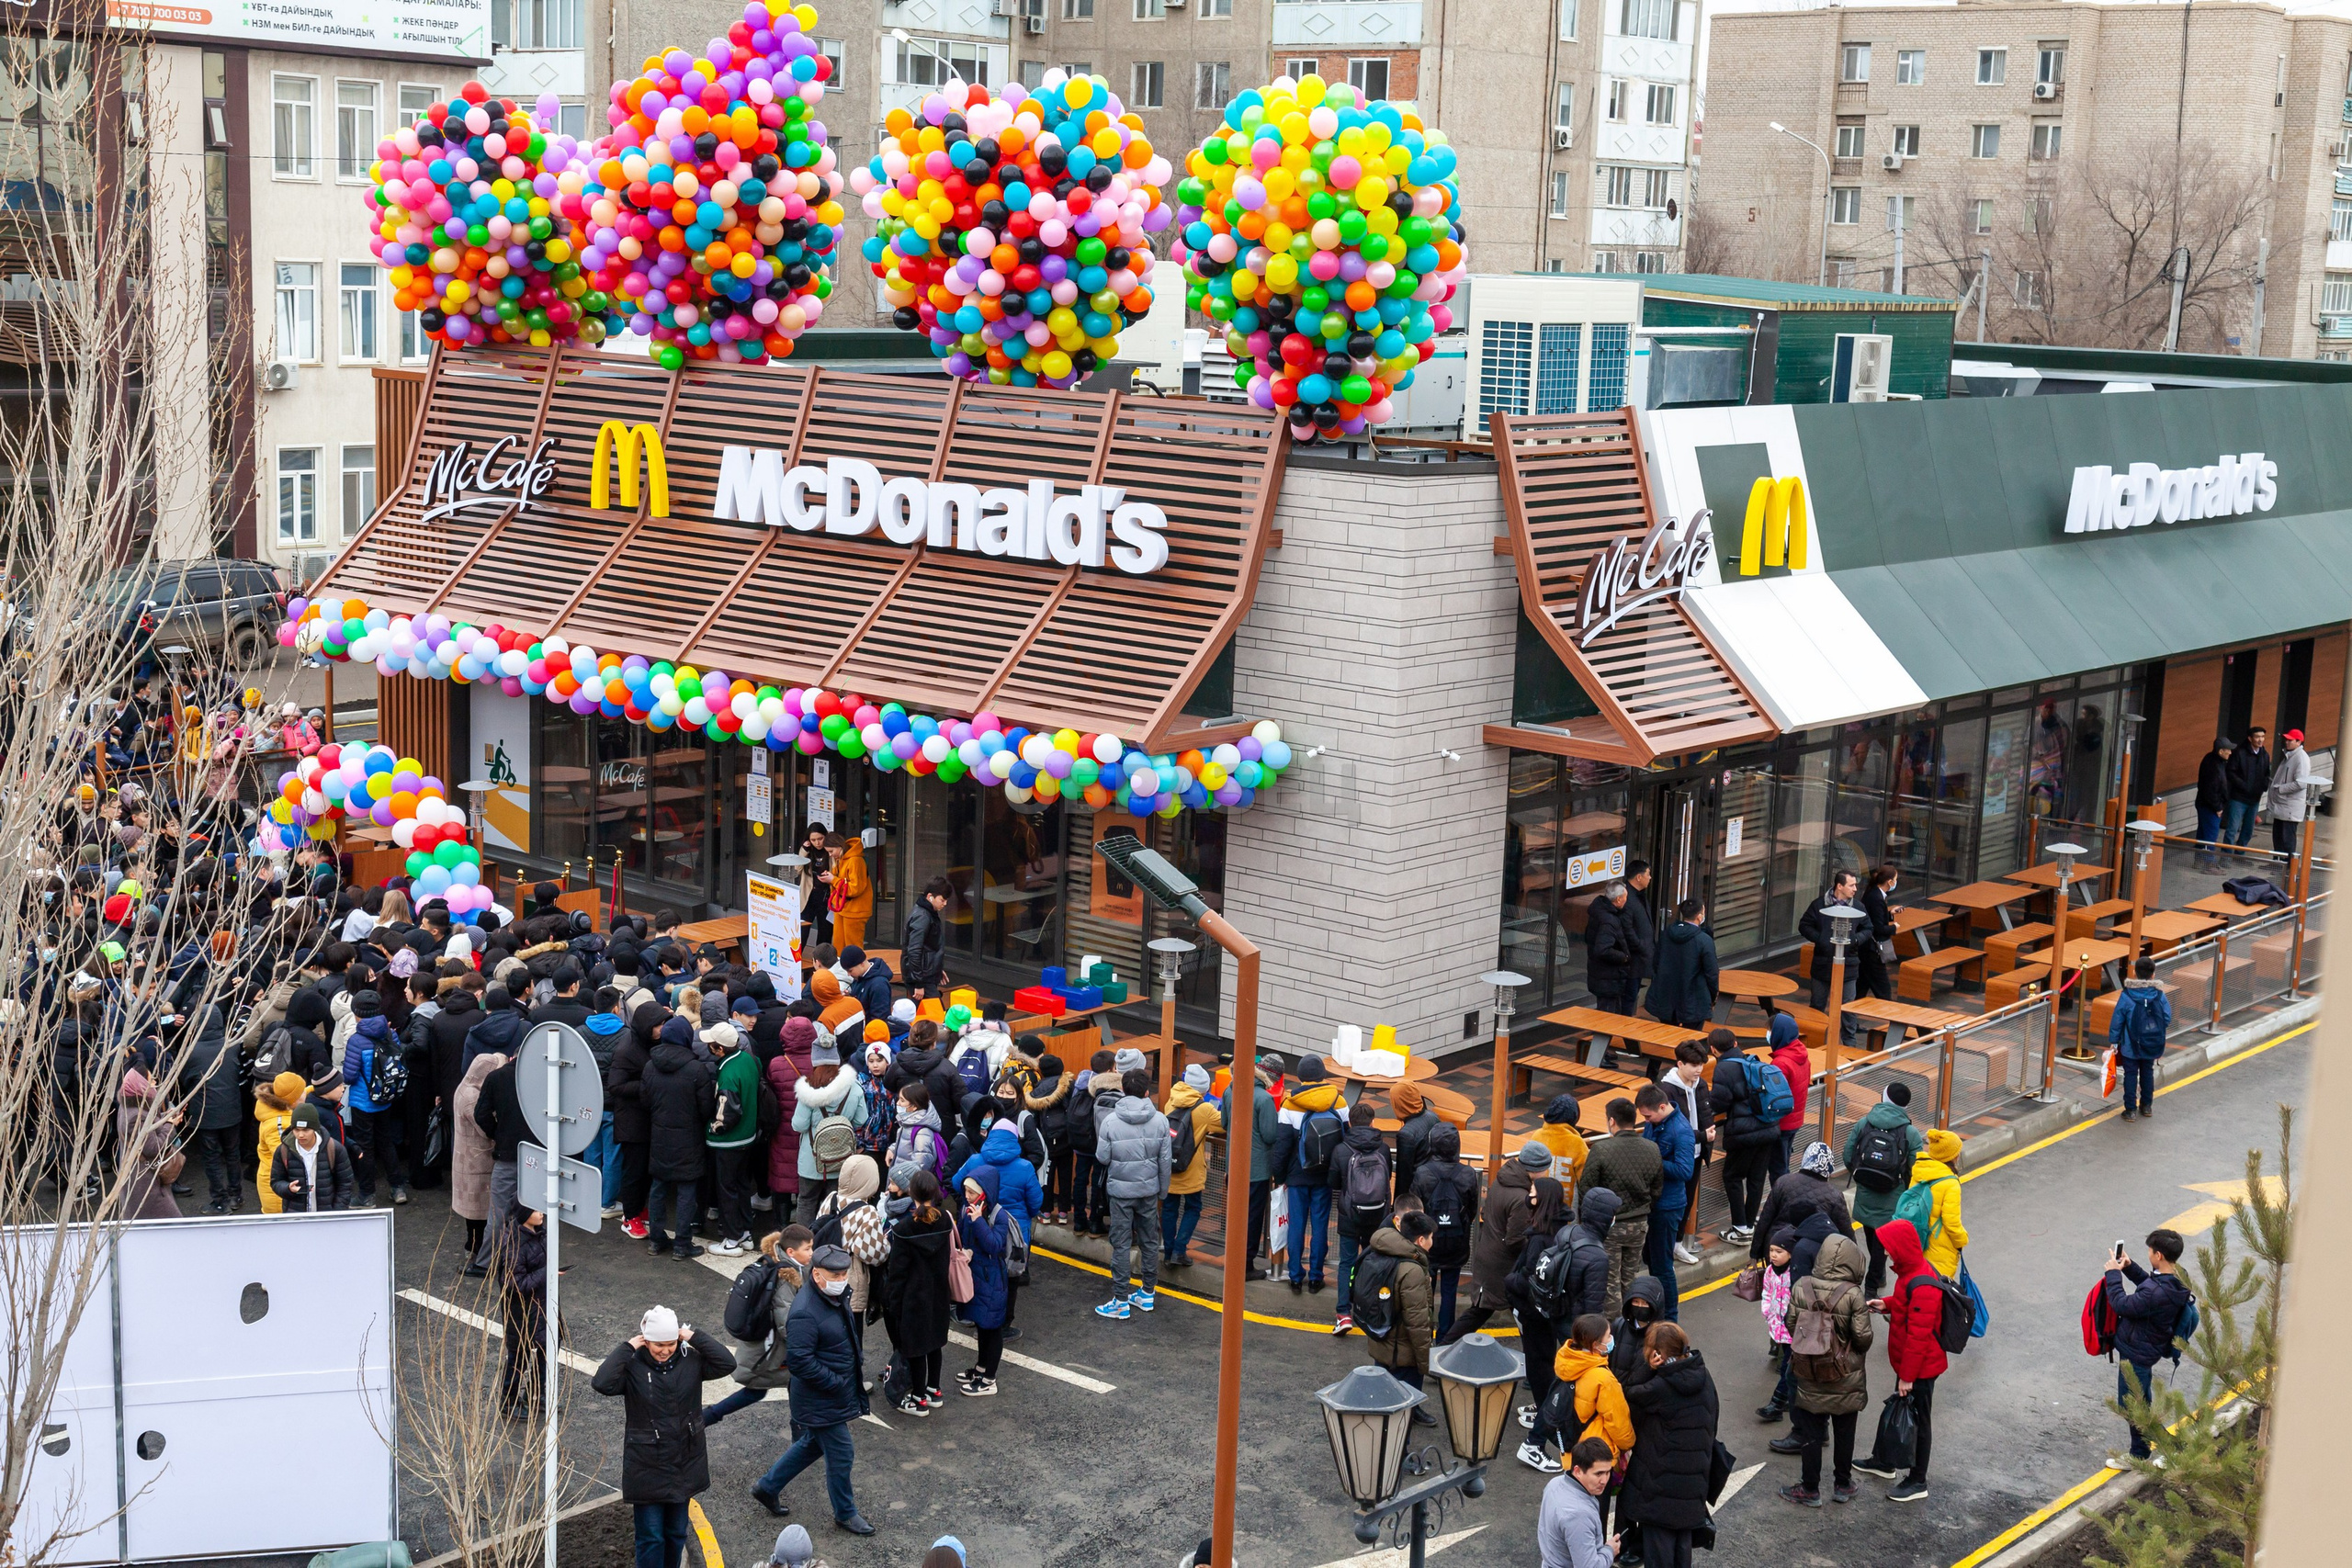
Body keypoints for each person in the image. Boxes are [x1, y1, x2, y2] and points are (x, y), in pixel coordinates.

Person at [592, 1307, 738, 1568]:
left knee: (676, 1534)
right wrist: (627, 1347)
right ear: (646, 1341)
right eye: (658, 1344)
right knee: (651, 1538)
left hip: (684, 1463)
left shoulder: (691, 1360)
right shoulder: (633, 1365)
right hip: (646, 1466)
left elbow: (727, 1362)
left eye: (670, 1343)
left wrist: (692, 1336)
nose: (664, 1350)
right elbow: (602, 1382)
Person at [750, 1240, 872, 1533]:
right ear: (817, 1275)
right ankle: (845, 1513)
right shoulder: (805, 1311)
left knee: (813, 1445)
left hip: (828, 1394)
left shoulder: (831, 1296)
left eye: (844, 1274)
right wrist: (837, 1382)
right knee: (841, 1453)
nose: (842, 1281)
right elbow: (800, 1361)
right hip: (821, 1397)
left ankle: (767, 1486)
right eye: (836, 1276)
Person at [1775, 1232, 1873, 1506]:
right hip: (1846, 1376)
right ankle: (1843, 1485)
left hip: (1809, 1372)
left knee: (1811, 1433)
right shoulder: (1853, 1294)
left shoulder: (1802, 1286)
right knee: (1844, 1432)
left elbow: (1791, 1326)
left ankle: (1810, 1489)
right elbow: (1863, 1339)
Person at [1853, 1218, 1942, 1502]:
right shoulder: (1911, 1273)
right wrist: (1887, 1304)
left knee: (1918, 1421)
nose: (1887, 1254)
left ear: (1902, 1248)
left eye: (1890, 1248)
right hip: (1910, 1364)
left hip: (1919, 1368)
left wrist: (1907, 1376)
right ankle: (1885, 1461)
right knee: (1898, 1410)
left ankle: (1918, 1480)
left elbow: (1919, 1337)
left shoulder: (1922, 1283)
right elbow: (1907, 1303)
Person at [1618, 1322, 1720, 1568]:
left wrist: (1647, 1368)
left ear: (1658, 1355)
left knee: (1660, 1554)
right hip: (1693, 1482)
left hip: (1659, 1486)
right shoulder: (1703, 1376)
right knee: (1682, 1548)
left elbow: (1626, 1394)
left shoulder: (1660, 1387)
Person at [2103, 1227, 2195, 1467]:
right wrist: (2130, 1267)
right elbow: (2151, 1286)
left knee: (2133, 1405)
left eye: (2150, 1252)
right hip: (2148, 1345)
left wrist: (2113, 1275)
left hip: (2137, 1351)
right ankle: (2141, 1451)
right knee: (2139, 1401)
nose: (2149, 1255)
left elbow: (2121, 1304)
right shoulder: (2178, 1278)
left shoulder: (2155, 1293)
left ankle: (2168, 1451)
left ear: (2159, 1256)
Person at [706, 1225, 812, 1427]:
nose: (811, 1253)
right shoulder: (786, 1277)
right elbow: (786, 1322)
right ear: (791, 1252)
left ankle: (708, 1416)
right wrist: (807, 1345)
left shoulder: (778, 1261)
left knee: (761, 1390)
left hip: (767, 1343)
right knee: (771, 1388)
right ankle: (801, 1440)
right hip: (775, 1348)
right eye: (807, 1249)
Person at [1507, 1177, 1574, 1472]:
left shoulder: (1539, 1238)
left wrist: (1509, 1281)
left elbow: (1526, 1278)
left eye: (1532, 1193)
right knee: (1544, 1360)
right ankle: (1539, 1406)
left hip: (1532, 1313)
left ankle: (1542, 1418)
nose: (1528, 1196)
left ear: (1541, 1200)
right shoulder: (1563, 1230)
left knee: (1538, 1364)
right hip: (1550, 1312)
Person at [1096, 1066, 1171, 1319]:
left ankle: (1120, 1299)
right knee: (1150, 1242)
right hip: (1149, 1190)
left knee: (1121, 1243)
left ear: (1123, 1090)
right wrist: (1162, 1190)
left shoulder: (1110, 1121)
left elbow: (1103, 1157)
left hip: (1120, 1191)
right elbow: (1165, 1161)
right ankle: (1147, 1293)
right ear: (1147, 1091)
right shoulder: (1161, 1119)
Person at [1446, 1141, 1541, 1342]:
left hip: (1488, 1255)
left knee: (1484, 1311)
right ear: (1535, 1169)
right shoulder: (1521, 1198)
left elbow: (1486, 1212)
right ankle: (1443, 1348)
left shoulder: (1501, 1181)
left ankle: (1443, 1348)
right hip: (1503, 1266)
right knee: (1492, 1312)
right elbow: (1515, 1239)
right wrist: (1536, 1247)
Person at [643, 1016, 718, 1261]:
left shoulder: (650, 1065)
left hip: (659, 1135)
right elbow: (706, 1108)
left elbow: (645, 1101)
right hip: (689, 1138)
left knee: (658, 1188)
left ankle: (656, 1239)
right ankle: (682, 1244)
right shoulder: (696, 1069)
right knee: (687, 1190)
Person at [1841, 1083, 1925, 1298]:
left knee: (1872, 1235)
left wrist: (1862, 1174)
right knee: (1882, 1241)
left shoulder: (1864, 1123)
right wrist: (1903, 1186)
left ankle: (1876, 1278)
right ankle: (1871, 1287)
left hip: (1866, 1191)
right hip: (1892, 1194)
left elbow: (1848, 1153)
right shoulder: (1910, 1132)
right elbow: (1916, 1167)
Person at [1576, 1099, 1661, 1307]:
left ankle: (1614, 1330)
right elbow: (1657, 1189)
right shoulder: (1652, 1148)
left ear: (1612, 1121)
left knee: (1609, 1283)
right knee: (1630, 1279)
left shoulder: (1601, 1149)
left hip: (1610, 1226)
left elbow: (1587, 1190)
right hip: (1639, 1224)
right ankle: (1632, 1322)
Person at [881, 1168, 954, 1413]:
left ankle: (919, 1397)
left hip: (914, 1300)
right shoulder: (945, 1219)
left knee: (916, 1349)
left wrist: (893, 1302)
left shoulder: (903, 1229)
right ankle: (934, 1389)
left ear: (911, 1193)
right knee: (935, 1344)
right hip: (939, 1295)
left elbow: (898, 1273)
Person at [1551, 1315, 1634, 1519]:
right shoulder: (1603, 1378)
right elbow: (1618, 1421)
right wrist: (1629, 1444)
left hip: (1571, 1453)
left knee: (1574, 1512)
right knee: (1595, 1517)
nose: (1612, 1339)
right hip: (1596, 1458)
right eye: (1608, 1336)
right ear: (1597, 1345)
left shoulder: (1566, 1360)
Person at [1361, 1210, 1439, 1414]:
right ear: (1421, 1240)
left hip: (1380, 1343)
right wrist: (1425, 1363)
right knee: (1401, 1412)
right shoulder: (1411, 1270)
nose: (1433, 1242)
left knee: (1381, 1403)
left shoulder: (1381, 1251)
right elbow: (1418, 1323)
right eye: (1431, 1238)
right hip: (1403, 1354)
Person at [1329, 1101, 1394, 1335]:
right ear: (1373, 1122)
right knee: (1373, 1262)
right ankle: (1370, 1309)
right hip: (1378, 1215)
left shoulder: (1341, 1149)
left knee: (1347, 1263)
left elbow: (1334, 1183)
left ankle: (1343, 1314)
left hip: (1350, 1215)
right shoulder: (1383, 1149)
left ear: (1349, 1123)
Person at [1283, 1057, 1346, 1294]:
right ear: (1323, 1076)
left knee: (1296, 1225)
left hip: (1298, 1175)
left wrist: (1280, 1176)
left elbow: (1282, 1144)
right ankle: (1316, 1276)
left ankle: (1295, 1276)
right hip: (1326, 1175)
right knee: (1320, 1225)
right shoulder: (1338, 1101)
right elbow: (1346, 1137)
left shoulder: (1290, 1104)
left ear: (1300, 1076)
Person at [1412, 1123, 1481, 1339]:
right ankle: (1445, 1338)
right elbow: (1471, 1210)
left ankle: (1424, 1333)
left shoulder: (1422, 1173)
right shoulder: (1468, 1173)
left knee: (1426, 1289)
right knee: (1450, 1290)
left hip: (1427, 1242)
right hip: (1456, 1241)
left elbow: (1415, 1210)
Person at [1709, 1032, 1778, 1246]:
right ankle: (1749, 1223)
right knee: (1757, 1178)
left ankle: (1740, 1228)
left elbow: (1719, 1103)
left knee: (1733, 1177)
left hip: (1744, 1133)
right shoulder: (1753, 1060)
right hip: (1768, 1128)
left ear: (1713, 1050)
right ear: (1736, 1043)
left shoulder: (1723, 1068)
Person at [1635, 1086, 1694, 1322]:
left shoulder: (1682, 1131)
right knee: (1651, 1260)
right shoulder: (1654, 1123)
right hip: (1652, 1203)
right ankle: (1658, 1309)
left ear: (1662, 1106)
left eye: (1648, 1116)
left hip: (1667, 1207)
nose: (1645, 1121)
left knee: (1662, 1267)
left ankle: (1670, 1318)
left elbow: (1684, 1170)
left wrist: (1652, 1158)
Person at [954, 1167, 1014, 1395]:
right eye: (966, 1191)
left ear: (984, 1192)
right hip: (975, 1276)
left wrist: (978, 1221)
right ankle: (981, 1367)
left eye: (971, 1192)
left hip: (992, 1279)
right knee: (981, 1323)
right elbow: (961, 1235)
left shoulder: (999, 1215)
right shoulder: (966, 1208)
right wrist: (964, 1251)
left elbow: (994, 1245)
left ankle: (989, 1379)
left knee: (992, 1328)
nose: (967, 1196)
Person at [707, 1021, 763, 1256]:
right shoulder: (749, 1060)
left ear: (720, 1049)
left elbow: (725, 1115)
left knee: (727, 1189)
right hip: (748, 1137)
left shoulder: (728, 1073)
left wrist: (711, 1128)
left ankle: (732, 1239)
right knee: (742, 1187)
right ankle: (746, 1233)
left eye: (711, 1044)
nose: (708, 1047)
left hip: (729, 1141)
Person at [1161, 1063, 1225, 1269]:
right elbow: (1225, 1123)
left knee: (1169, 1209)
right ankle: (1180, 1250)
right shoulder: (1204, 1109)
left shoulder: (1171, 1102)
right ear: (1203, 1089)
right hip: (1190, 1169)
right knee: (1193, 1208)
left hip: (1169, 1167)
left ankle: (1168, 1250)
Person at [1798, 871, 1865, 1049]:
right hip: (1822, 964)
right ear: (1839, 886)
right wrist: (1821, 939)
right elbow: (1804, 925)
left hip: (1849, 965)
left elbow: (1868, 928)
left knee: (1848, 1007)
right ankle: (1813, 1040)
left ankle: (1850, 1044)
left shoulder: (1858, 907)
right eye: (1851, 885)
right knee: (1817, 1005)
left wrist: (1856, 940)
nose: (1855, 889)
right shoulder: (1819, 905)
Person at [451, 1053, 505, 1268]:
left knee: (474, 1211)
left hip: (466, 1159)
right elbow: (485, 1129)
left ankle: (474, 1248)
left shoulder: (464, 1088)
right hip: (476, 1161)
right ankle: (476, 1250)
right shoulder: (472, 1097)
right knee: (478, 1212)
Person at [498, 1207, 551, 1418]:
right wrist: (547, 1272)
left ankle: (535, 1395)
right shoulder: (514, 1244)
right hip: (521, 1311)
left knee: (547, 1349)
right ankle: (509, 1402)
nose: (542, 1212)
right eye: (536, 1209)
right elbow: (513, 1283)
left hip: (542, 1305)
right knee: (519, 1356)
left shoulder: (540, 1233)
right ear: (523, 1214)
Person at [2108, 957, 2173, 1123]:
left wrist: (2114, 1041)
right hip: (2152, 1042)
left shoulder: (2127, 995)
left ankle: (2130, 1110)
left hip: (2130, 1044)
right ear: (2153, 975)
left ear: (2135, 973)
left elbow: (2117, 1020)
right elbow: (2166, 1017)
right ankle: (2147, 1106)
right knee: (2147, 1072)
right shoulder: (2159, 994)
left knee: (2130, 1074)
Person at [1540, 1438, 1622, 1568]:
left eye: (1608, 1472)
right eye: (1598, 1473)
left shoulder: (1555, 1484)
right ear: (1577, 1471)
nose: (1604, 1480)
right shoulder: (1579, 1515)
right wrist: (1609, 1551)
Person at [1899, 1128, 1968, 1278]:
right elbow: (1952, 1222)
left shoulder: (1919, 1171)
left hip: (1917, 1241)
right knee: (1936, 1291)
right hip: (1938, 1248)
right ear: (1952, 1156)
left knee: (1916, 1286)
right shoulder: (1950, 1183)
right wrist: (1962, 1240)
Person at [1643, 898, 1717, 1030]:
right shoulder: (1704, 940)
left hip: (1666, 995)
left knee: (1668, 1032)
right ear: (1699, 917)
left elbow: (1656, 962)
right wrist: (1711, 996)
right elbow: (1712, 973)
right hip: (1694, 998)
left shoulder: (1666, 933)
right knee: (1692, 1038)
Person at [269, 1102, 356, 1212]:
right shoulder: (283, 1151)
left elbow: (346, 1184)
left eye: (306, 1130)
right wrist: (288, 1188)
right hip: (296, 1217)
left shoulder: (334, 1149)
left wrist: (336, 1212)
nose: (300, 1135)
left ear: (315, 1128)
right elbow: (276, 1181)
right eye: (296, 1130)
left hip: (327, 1218)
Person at [1755, 1229, 1798, 1425]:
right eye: (1771, 1250)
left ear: (1790, 1252)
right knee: (1787, 1367)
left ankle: (1777, 1404)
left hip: (1792, 1330)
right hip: (1777, 1326)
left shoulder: (1796, 1272)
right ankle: (1790, 1397)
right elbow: (1767, 1291)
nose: (1773, 1255)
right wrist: (1767, 1311)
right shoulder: (1771, 1271)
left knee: (1787, 1366)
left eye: (1779, 1251)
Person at [1767, 1011, 1813, 1181]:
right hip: (1795, 1119)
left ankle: (1783, 1202)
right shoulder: (1801, 1055)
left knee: (1778, 1169)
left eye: (1770, 1031)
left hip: (1782, 1123)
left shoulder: (1780, 1063)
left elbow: (1772, 1094)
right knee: (1783, 1162)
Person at [1583, 881, 1639, 1019]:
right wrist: (1624, 957)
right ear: (1618, 899)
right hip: (1609, 977)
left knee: (1610, 1015)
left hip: (1602, 975)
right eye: (1625, 897)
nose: (1627, 900)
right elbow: (1603, 949)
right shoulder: (1609, 920)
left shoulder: (1599, 911)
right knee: (1607, 1018)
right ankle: (1599, 1040)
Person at [901, 876, 952, 1001]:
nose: (945, 904)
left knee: (928, 1013)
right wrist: (918, 983)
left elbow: (928, 947)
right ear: (930, 896)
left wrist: (937, 969)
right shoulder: (923, 917)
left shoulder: (926, 913)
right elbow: (914, 950)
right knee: (933, 1013)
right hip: (921, 978)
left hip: (924, 975)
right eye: (942, 900)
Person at [2224, 726, 2272, 854]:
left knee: (2248, 830)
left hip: (2254, 799)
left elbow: (2267, 773)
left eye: (2262, 737)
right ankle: (2226, 857)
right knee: (2232, 829)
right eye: (2257, 737)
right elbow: (2230, 772)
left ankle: (2240, 854)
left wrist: (2263, 787)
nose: (2260, 740)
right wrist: (2244, 786)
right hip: (2238, 798)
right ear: (2250, 738)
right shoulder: (2240, 753)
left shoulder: (2264, 755)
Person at [1389, 1080, 1439, 1201]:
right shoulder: (1432, 1116)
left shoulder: (1406, 1134)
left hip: (1417, 1192)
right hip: (1435, 1183)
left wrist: (1398, 1205)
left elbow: (1404, 1176)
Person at [2267, 728, 2312, 856]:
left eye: (2290, 740)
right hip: (2283, 805)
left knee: (2287, 839)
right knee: (2278, 837)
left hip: (2290, 807)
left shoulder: (2301, 758)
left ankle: (2288, 866)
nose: (2286, 742)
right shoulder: (2290, 755)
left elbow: (2302, 783)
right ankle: (2277, 862)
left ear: (2298, 742)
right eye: (2286, 740)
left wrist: (2280, 789)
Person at [1530, 1094, 1589, 1190]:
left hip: (1538, 1199)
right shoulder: (1577, 1143)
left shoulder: (1537, 1136)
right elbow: (1584, 1180)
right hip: (1566, 1202)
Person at [1859, 866, 1900, 1003]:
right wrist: (1893, 928)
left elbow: (1873, 918)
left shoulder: (1873, 893)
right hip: (1872, 950)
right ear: (1889, 882)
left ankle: (1847, 1022)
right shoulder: (1876, 898)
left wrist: (1889, 915)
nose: (1896, 882)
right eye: (1895, 879)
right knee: (1884, 991)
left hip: (1866, 950)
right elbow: (1878, 928)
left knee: (1860, 988)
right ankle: (1892, 1020)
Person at [2195, 737, 2234, 870]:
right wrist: (2218, 807)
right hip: (2210, 806)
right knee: (2210, 836)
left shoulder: (2211, 760)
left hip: (2203, 803)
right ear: (2221, 751)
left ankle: (2199, 860)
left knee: (2202, 833)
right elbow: (2211, 790)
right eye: (2228, 750)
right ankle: (2208, 864)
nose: (2230, 752)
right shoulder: (2215, 766)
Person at [829, 837, 873, 951]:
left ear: (839, 847)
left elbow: (855, 889)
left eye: (831, 851)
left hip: (855, 910)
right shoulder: (841, 859)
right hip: (842, 908)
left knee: (853, 948)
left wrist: (833, 880)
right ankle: (840, 968)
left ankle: (853, 968)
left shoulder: (855, 861)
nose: (830, 855)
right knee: (839, 945)